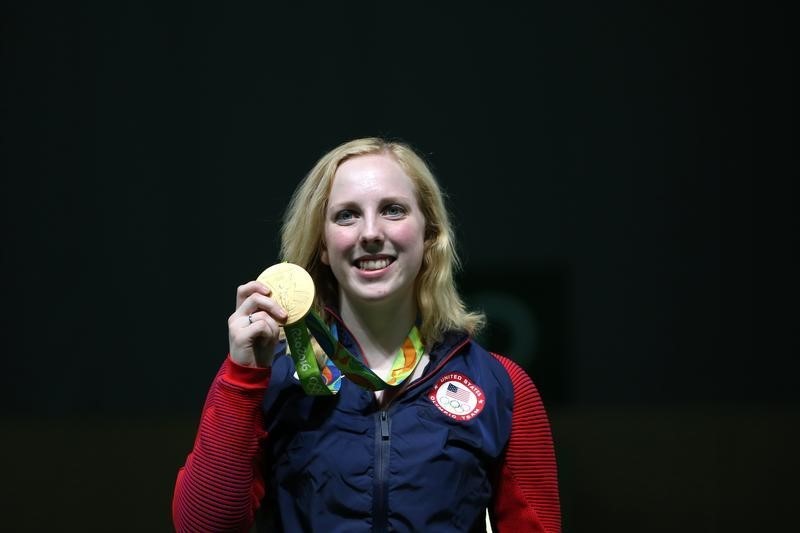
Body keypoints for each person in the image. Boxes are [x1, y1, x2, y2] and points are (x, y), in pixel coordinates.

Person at [172, 137, 561, 532]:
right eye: (346, 215)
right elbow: (202, 528)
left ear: (429, 234)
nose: (370, 232)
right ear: (322, 244)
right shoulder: (272, 380)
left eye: (393, 210)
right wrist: (242, 380)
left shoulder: (498, 384)